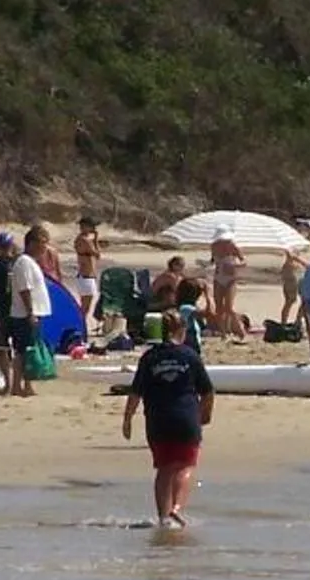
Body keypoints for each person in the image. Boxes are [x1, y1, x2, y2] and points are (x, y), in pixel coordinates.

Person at [121, 317, 216, 526]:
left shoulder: (149, 358)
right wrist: (205, 414)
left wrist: (127, 419)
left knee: (164, 468)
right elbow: (208, 391)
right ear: (180, 330)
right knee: (185, 466)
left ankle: (164, 517)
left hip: (157, 420)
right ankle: (176, 508)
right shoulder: (190, 356)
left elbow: (135, 392)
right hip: (186, 418)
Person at [0, 232, 49, 398]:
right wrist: (30, 312)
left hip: (14, 311)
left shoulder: (25, 262)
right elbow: (24, 289)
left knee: (22, 350)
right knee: (20, 350)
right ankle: (15, 385)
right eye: (42, 243)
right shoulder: (22, 263)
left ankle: (21, 385)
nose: (45, 247)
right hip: (16, 312)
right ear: (31, 243)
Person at [209, 231, 246, 340]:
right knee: (219, 308)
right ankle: (223, 334)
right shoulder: (214, 246)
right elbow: (212, 261)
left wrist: (234, 265)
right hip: (218, 277)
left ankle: (240, 331)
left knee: (229, 307)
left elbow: (244, 261)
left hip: (231, 278)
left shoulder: (232, 246)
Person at [73, 218, 104, 328]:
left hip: (87, 276)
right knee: (86, 306)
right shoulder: (84, 240)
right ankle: (80, 325)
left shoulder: (83, 239)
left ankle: (81, 325)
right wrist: (96, 240)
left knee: (86, 305)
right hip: (86, 276)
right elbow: (97, 254)